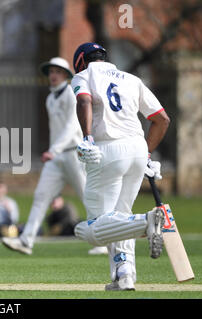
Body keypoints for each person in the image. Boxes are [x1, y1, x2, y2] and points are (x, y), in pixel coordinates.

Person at [70, 42, 170, 291]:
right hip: (136, 149)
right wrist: (146, 153)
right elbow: (161, 119)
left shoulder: (84, 75)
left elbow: (84, 101)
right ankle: (124, 275)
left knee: (92, 229)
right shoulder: (131, 78)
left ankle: (146, 221)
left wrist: (87, 137)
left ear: (81, 61)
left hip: (106, 150)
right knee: (119, 216)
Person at [1, 57, 107, 255]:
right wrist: (54, 151)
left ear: (66, 75)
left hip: (75, 154)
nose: (53, 75)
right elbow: (56, 130)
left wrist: (53, 150)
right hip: (56, 158)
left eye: (58, 72)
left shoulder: (70, 93)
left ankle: (102, 241)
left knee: (88, 197)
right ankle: (26, 240)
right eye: (51, 72)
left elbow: (72, 126)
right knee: (41, 196)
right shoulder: (50, 98)